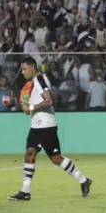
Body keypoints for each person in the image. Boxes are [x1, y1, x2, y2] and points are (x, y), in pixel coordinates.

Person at [8, 57, 91, 201]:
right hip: (36, 125)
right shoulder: (32, 84)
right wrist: (24, 106)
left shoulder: (40, 80)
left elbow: (50, 101)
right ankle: (25, 191)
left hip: (46, 125)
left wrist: (31, 107)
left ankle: (83, 180)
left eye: (24, 69)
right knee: (29, 153)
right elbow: (28, 109)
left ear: (33, 67)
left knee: (56, 158)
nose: (22, 72)